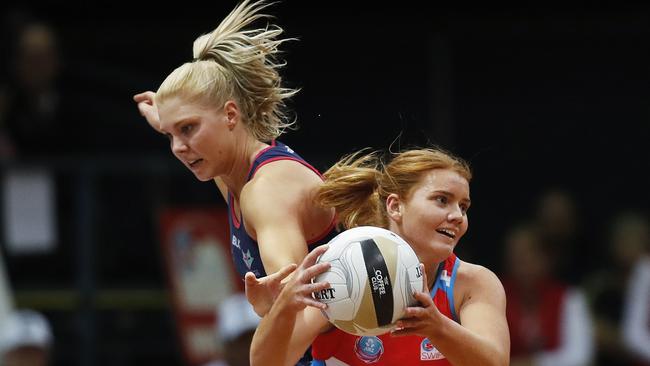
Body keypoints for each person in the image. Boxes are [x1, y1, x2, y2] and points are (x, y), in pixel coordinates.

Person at [133, 0, 337, 315]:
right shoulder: (232, 170)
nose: (178, 147)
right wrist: (168, 121)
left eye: (187, 128)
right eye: (169, 135)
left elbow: (302, 312)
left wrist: (266, 308)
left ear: (231, 115)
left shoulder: (266, 190)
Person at [249, 148, 510, 365]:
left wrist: (437, 326)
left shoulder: (473, 283)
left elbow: (496, 362)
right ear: (396, 206)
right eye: (442, 200)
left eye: (463, 206)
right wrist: (282, 308)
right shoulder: (341, 273)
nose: (457, 216)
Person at [502, 223, 594, 366]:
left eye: (528, 255)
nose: (521, 263)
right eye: (516, 256)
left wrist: (530, 363)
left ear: (546, 258)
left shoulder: (570, 298)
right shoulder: (494, 295)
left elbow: (580, 356)